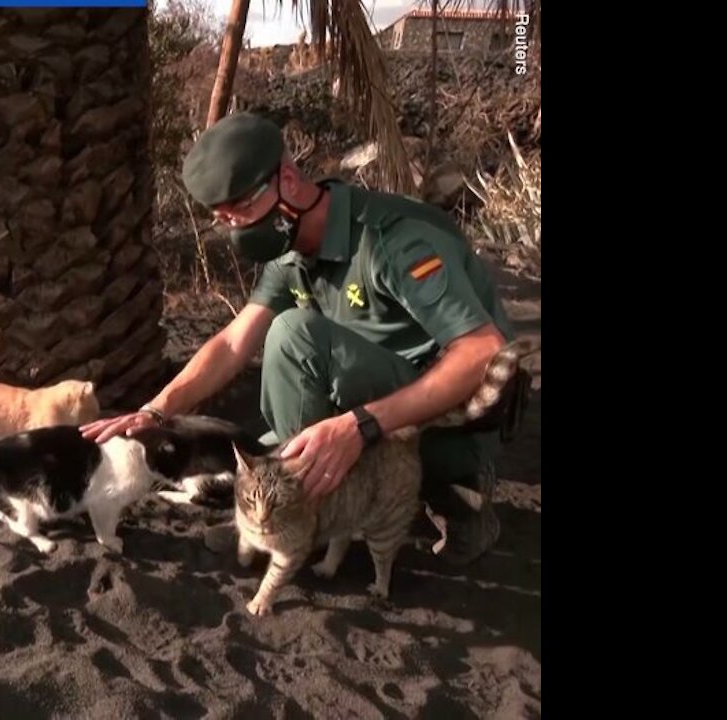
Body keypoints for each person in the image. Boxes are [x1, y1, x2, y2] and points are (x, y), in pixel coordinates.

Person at [80, 112, 517, 566]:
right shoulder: (288, 249)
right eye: (224, 218)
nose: (238, 228)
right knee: (267, 445)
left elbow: (482, 352)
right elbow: (233, 343)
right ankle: (301, 517)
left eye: (243, 208)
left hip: (450, 422)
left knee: (293, 334)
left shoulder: (392, 239)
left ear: (288, 179)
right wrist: (157, 409)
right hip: (369, 406)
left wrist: (358, 425)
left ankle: (451, 496)